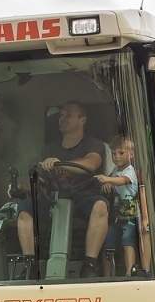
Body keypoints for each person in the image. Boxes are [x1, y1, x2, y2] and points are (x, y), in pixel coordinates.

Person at [12, 99, 111, 277]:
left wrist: (60, 164)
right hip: (53, 198)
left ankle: (89, 266)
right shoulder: (49, 148)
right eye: (61, 115)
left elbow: (91, 163)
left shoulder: (94, 145)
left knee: (101, 207)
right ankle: (30, 265)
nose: (62, 118)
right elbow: (41, 181)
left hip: (84, 197)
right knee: (25, 208)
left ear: (82, 120)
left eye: (69, 115)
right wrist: (19, 187)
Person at [95, 134, 141, 276]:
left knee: (128, 242)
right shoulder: (115, 171)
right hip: (116, 217)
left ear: (131, 154)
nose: (117, 157)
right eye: (113, 154)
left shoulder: (130, 171)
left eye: (121, 153)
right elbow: (113, 182)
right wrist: (107, 185)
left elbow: (123, 181)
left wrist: (108, 179)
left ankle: (129, 272)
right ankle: (107, 275)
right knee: (107, 241)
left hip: (130, 217)